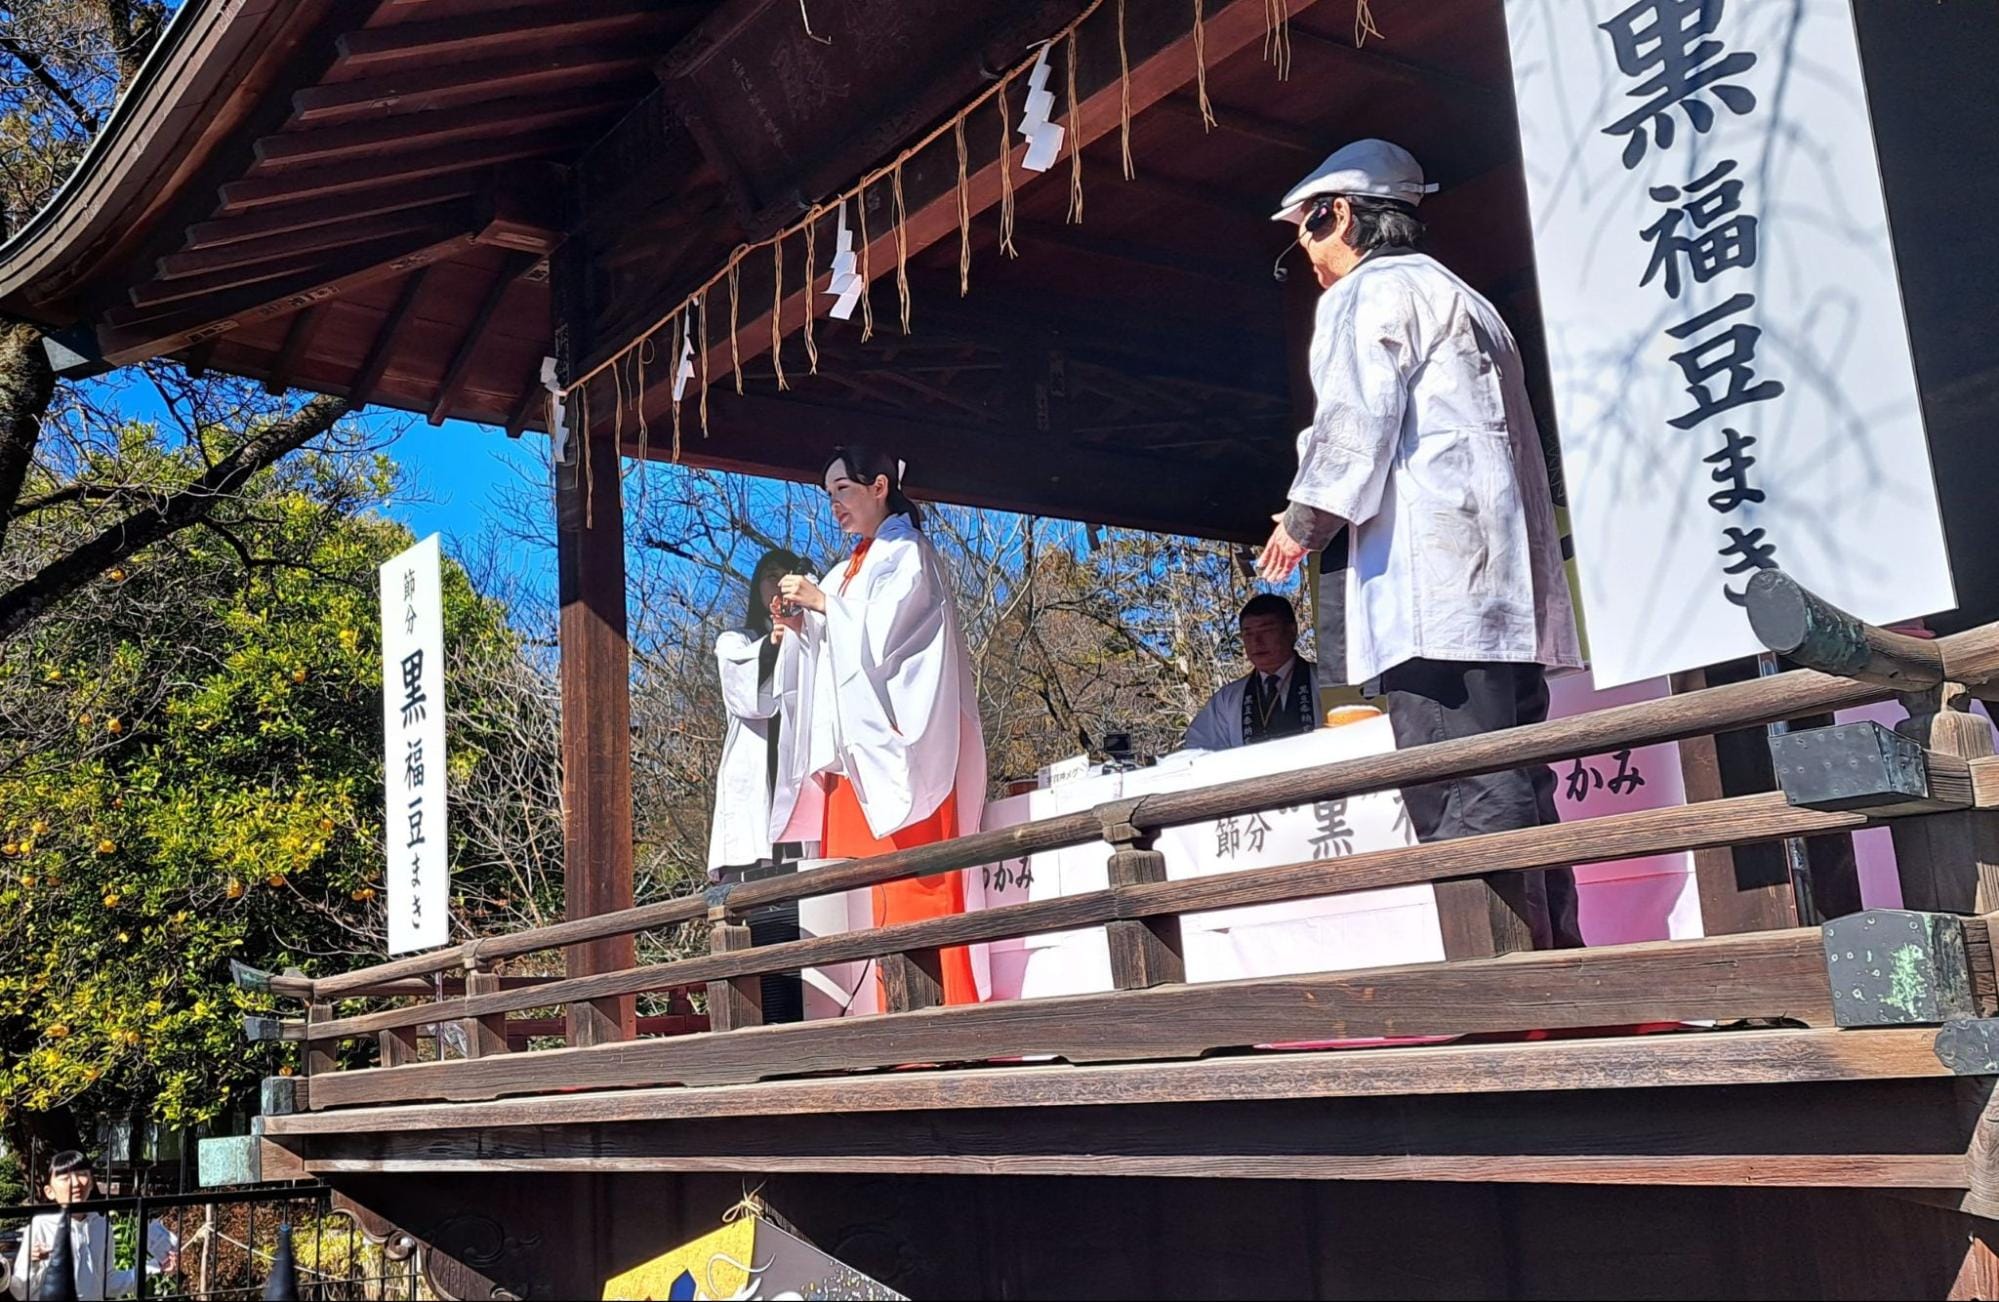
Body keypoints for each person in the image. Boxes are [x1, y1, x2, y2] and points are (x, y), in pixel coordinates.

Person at [1256, 138, 1586, 949]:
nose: (1305, 253)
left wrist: (1300, 523)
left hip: (1434, 586)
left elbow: (1351, 427)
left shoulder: (1367, 295)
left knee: (1455, 785)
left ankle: (1503, 983)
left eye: (1306, 230)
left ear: (1339, 214)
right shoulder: (1469, 300)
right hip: (1501, 589)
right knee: (1515, 772)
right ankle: (1560, 965)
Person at [771, 445, 988, 1006]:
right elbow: (838, 645)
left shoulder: (910, 553)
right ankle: (872, 1019)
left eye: (843, 490)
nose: (835, 506)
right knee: (858, 897)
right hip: (855, 761)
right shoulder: (845, 569)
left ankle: (938, 1019)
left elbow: (894, 643)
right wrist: (803, 626)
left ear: (880, 487)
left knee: (914, 887)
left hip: (899, 748)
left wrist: (826, 606)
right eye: (829, 495)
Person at [709, 545, 814, 1023]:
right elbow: (751, 700)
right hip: (752, 819)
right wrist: (774, 640)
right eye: (769, 576)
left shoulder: (815, 640)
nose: (778, 584)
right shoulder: (735, 642)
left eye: (787, 576)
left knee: (805, 934)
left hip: (801, 810)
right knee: (754, 941)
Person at [8, 1151, 177, 1301]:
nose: (75, 1183)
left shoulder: (101, 1226)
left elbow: (108, 1283)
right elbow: (20, 1292)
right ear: (49, 1191)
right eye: (65, 1178)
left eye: (81, 1174)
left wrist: (154, 1267)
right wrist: (33, 1262)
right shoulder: (41, 1226)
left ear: (91, 1183)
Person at [1182, 594, 1318, 752]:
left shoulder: (1324, 683)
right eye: (1248, 634)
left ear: (1291, 630)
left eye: (1266, 630)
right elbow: (1198, 749)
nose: (1256, 642)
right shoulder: (1228, 699)